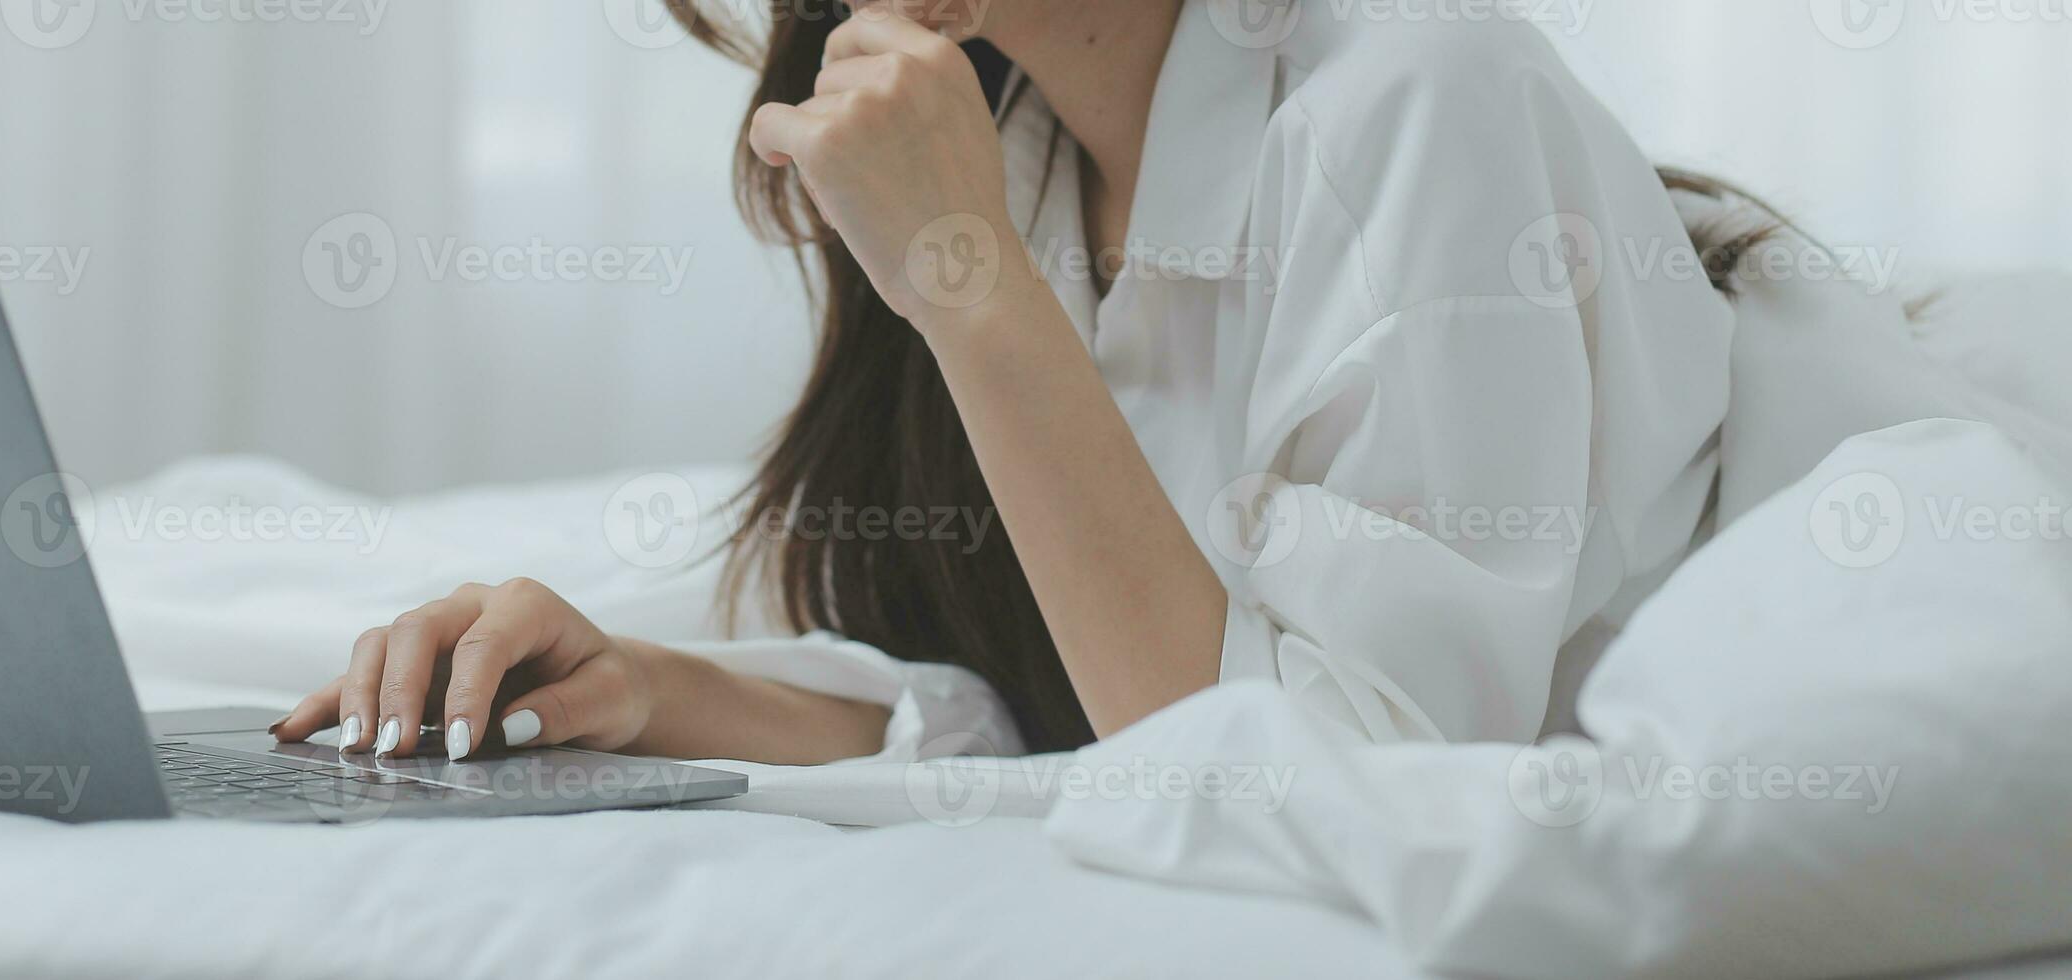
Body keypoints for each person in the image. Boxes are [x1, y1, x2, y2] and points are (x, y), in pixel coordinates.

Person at [271, 0, 1753, 764]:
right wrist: (656, 692)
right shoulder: (1014, 145)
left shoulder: (1419, 93)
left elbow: (1307, 782)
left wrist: (969, 291)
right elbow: (1057, 698)